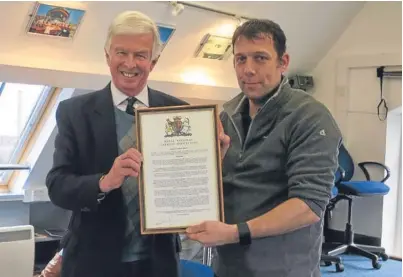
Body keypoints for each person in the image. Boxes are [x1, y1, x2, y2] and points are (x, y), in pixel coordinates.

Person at [186, 19, 343, 277]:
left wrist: (235, 233)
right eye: (240, 59)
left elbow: (308, 206)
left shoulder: (309, 117)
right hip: (229, 267)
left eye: (260, 58)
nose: (248, 69)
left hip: (283, 270)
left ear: (283, 62)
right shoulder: (225, 117)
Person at [46, 11, 188, 277]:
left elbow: (188, 180)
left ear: (153, 61)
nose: (130, 63)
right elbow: (57, 186)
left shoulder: (178, 111)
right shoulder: (75, 112)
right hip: (92, 262)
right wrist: (104, 181)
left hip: (158, 264)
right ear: (107, 56)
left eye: (141, 55)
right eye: (121, 53)